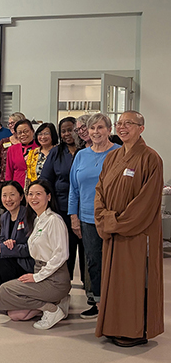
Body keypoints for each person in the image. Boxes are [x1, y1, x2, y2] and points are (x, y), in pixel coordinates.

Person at [94, 111, 164, 347]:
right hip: (114, 233)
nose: (122, 127)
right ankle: (114, 326)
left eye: (129, 124)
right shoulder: (112, 157)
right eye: (119, 123)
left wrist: (114, 223)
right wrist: (103, 218)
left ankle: (135, 330)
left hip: (136, 233)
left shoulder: (151, 158)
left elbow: (147, 203)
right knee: (113, 283)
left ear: (141, 128)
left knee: (133, 282)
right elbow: (99, 190)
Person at [0, 180, 71, 330]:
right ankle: (58, 303)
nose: (34, 198)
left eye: (38, 194)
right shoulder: (37, 220)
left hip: (54, 278)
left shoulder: (54, 220)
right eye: (31, 194)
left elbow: (61, 256)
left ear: (48, 197)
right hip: (39, 271)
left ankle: (52, 309)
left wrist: (37, 277)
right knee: (15, 315)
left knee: (5, 290)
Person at [68, 113, 120, 320]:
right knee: (93, 262)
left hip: (113, 218)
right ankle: (98, 303)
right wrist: (74, 216)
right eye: (92, 128)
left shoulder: (119, 153)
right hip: (87, 218)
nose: (96, 132)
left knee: (115, 261)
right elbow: (74, 188)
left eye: (100, 127)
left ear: (109, 130)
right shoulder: (81, 155)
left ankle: (116, 302)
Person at [41, 117, 86, 289]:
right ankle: (63, 284)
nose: (67, 134)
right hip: (62, 206)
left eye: (71, 130)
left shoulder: (87, 150)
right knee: (65, 247)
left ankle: (87, 284)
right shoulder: (56, 152)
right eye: (64, 131)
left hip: (85, 206)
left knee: (85, 247)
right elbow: (46, 179)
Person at [0, 181, 33, 311]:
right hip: (11, 260)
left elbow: (30, 249)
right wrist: (4, 245)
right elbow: (2, 241)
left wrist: (5, 248)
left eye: (12, 195)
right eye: (4, 195)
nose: (8, 199)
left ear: (21, 197)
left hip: (25, 263)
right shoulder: (4, 217)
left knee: (0, 259)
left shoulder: (28, 216)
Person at [0, 112, 26, 189]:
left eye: (13, 123)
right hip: (4, 181)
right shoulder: (4, 141)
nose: (10, 126)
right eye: (9, 124)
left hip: (22, 180)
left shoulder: (26, 143)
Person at [5, 119, 38, 188]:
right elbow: (9, 172)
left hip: (36, 186)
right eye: (19, 133)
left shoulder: (40, 148)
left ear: (32, 131)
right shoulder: (12, 149)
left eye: (26, 131)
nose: (23, 134)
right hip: (17, 187)